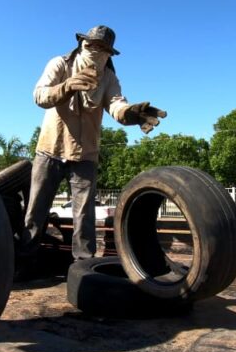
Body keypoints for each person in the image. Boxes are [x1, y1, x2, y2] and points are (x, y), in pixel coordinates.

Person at [21, 25, 167, 267]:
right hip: (50, 150)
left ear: (109, 54)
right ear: (82, 44)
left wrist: (133, 114)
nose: (97, 51)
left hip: (86, 155)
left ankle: (83, 268)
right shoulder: (60, 64)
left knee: (84, 216)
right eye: (93, 46)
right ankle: (25, 262)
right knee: (36, 212)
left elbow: (117, 106)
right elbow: (39, 96)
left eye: (103, 49)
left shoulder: (108, 78)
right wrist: (66, 87)